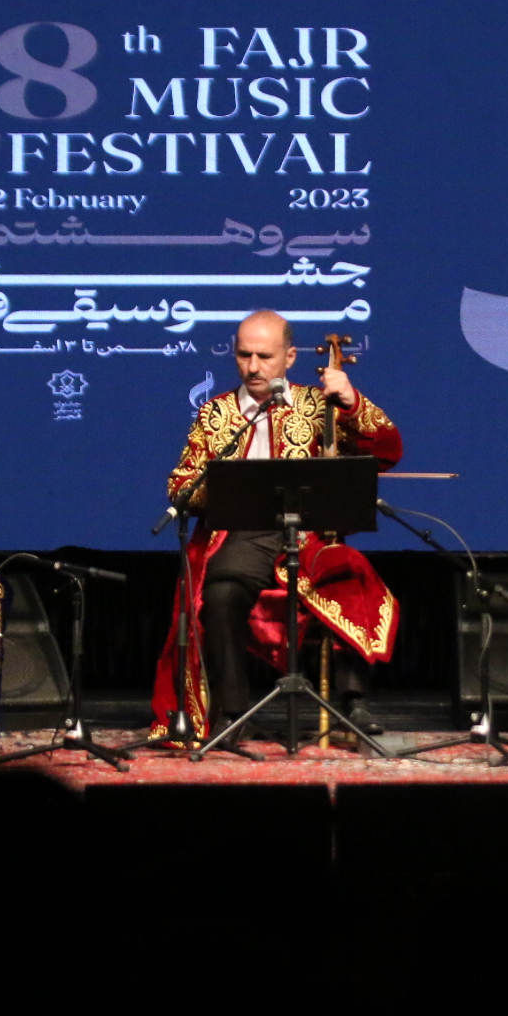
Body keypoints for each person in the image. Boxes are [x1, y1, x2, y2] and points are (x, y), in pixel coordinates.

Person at [150, 310, 403, 743]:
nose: (252, 367)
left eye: (264, 357)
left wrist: (351, 402)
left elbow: (387, 451)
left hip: (309, 537)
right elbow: (181, 483)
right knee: (220, 593)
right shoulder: (216, 412)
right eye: (243, 355)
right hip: (242, 536)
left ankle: (354, 703)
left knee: (351, 575)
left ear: (289, 357)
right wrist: (220, 489)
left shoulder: (319, 405)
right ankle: (233, 713)